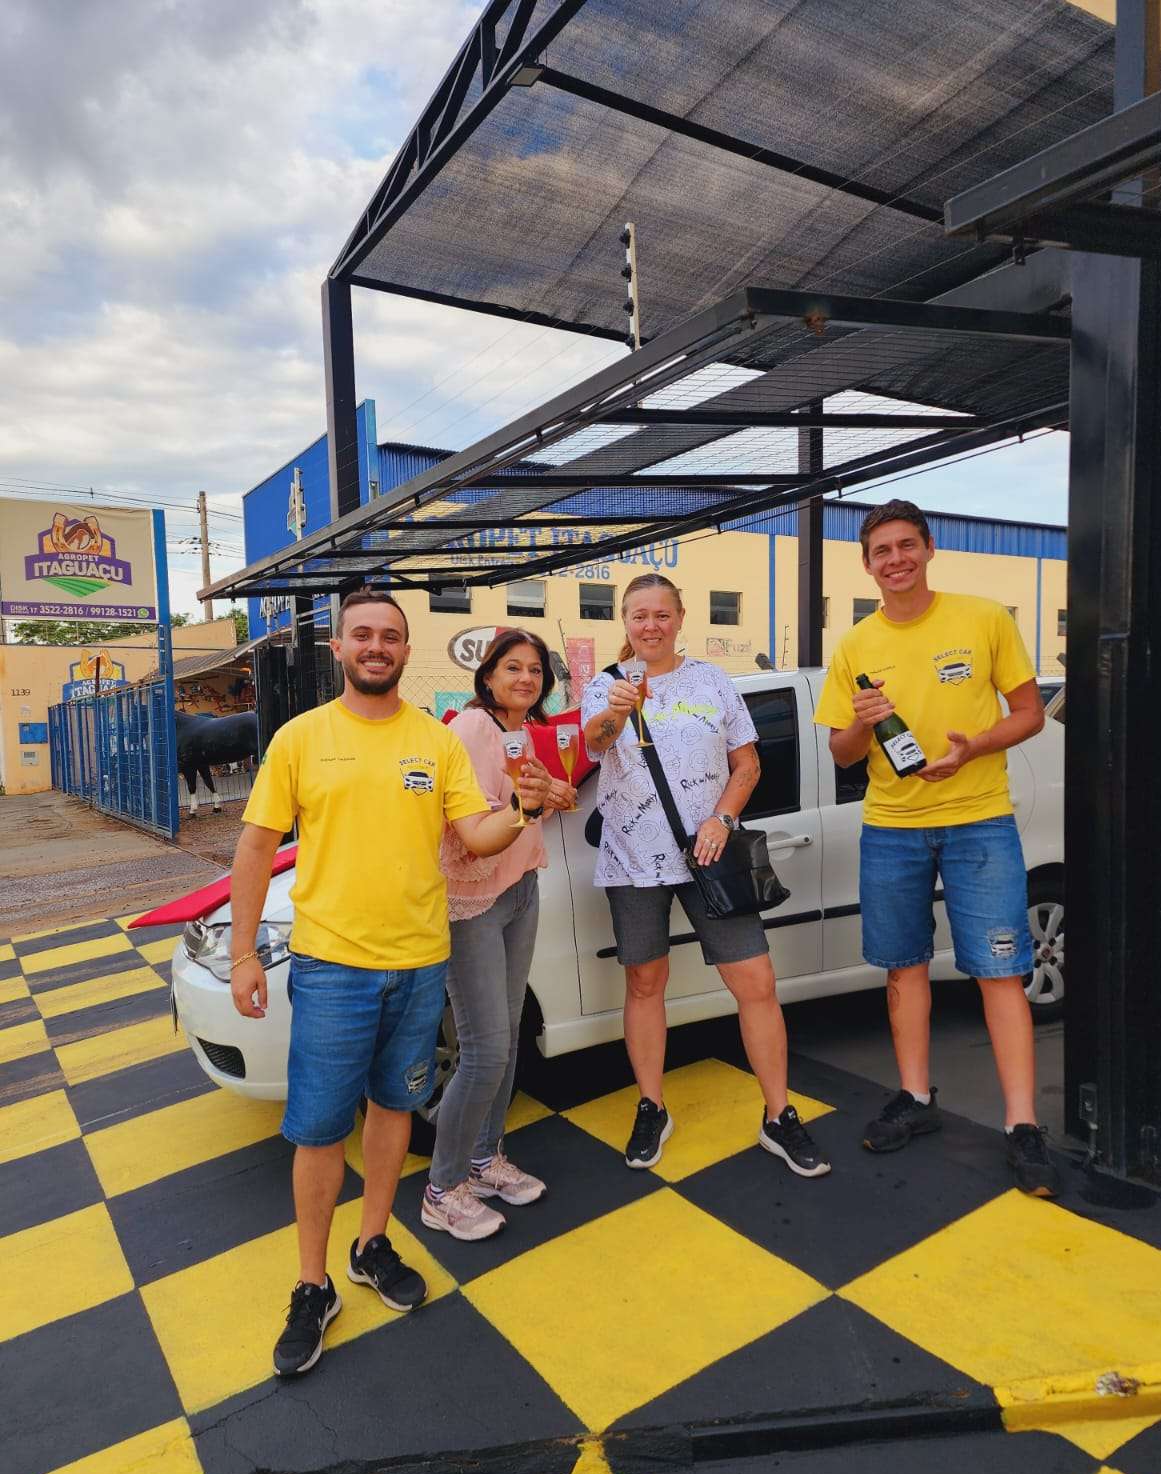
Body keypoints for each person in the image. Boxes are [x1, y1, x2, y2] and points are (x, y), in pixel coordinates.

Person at [229, 590, 551, 1378]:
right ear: (339, 647)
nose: (378, 646)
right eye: (363, 634)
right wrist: (242, 954)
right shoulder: (302, 738)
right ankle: (313, 1285)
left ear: (408, 652)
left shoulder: (434, 741)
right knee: (317, 1131)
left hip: (418, 961)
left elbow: (475, 835)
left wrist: (521, 807)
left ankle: (372, 1244)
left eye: (392, 636)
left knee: (394, 1109)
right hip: (332, 967)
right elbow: (255, 848)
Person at [813, 499, 1060, 1197]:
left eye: (905, 546)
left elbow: (1030, 714)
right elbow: (840, 752)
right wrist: (862, 724)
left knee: (1000, 970)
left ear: (928, 548)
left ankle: (1021, 1124)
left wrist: (972, 747)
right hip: (891, 826)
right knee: (903, 967)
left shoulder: (983, 619)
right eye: (881, 551)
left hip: (980, 819)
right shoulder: (855, 645)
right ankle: (915, 1097)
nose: (894, 560)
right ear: (867, 565)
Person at [581, 573, 830, 1178]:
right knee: (645, 982)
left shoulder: (713, 681)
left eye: (661, 614)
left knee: (757, 982)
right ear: (625, 621)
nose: (651, 625)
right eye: (639, 615)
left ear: (680, 618)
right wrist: (617, 712)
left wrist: (722, 819)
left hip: (711, 854)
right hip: (633, 858)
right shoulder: (604, 685)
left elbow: (747, 765)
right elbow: (593, 745)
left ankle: (779, 1115)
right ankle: (652, 1106)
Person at [423, 629, 577, 1241]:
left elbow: (519, 809)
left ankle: (484, 1160)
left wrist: (550, 796)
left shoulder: (522, 733)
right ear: (487, 676)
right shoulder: (469, 728)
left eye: (535, 670)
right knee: (485, 1049)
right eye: (513, 668)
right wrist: (528, 803)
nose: (526, 679)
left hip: (519, 889)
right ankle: (442, 1188)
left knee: (507, 1039)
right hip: (473, 900)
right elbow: (473, 826)